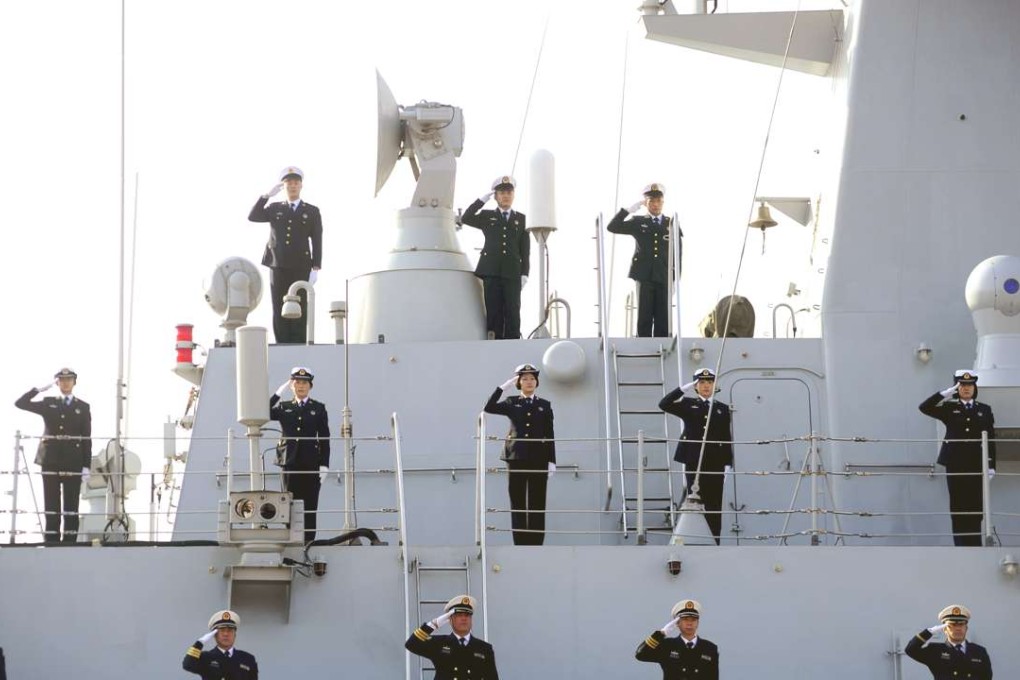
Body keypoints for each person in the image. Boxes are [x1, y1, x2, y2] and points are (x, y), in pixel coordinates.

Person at [919, 370, 997, 546]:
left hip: (977, 462)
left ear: (974, 387)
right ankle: (961, 544)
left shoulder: (984, 409)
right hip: (955, 462)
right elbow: (924, 407)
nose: (966, 388)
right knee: (958, 505)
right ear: (957, 387)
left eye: (969, 385)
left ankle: (975, 542)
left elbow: (990, 438)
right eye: (962, 385)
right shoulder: (949, 408)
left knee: (976, 505)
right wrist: (946, 393)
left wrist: (991, 464)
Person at [14, 368, 92, 543]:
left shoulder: (83, 407)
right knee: (51, 505)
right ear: (57, 382)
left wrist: (87, 465)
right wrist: (36, 390)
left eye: (69, 379)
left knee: (71, 506)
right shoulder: (48, 403)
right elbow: (20, 403)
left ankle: (70, 542)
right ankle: (52, 541)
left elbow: (87, 438)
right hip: (50, 460)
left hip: (73, 461)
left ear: (74, 382)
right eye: (62, 379)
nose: (65, 382)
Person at [247, 165, 323, 344]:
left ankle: (298, 344)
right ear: (284, 186)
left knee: (300, 306)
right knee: (279, 306)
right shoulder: (275, 208)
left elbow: (317, 239)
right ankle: (282, 343)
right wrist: (266, 196)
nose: (293, 186)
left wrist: (316, 267)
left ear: (301, 185)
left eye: (296, 182)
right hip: (278, 264)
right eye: (289, 183)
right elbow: (253, 216)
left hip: (301, 266)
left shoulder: (311, 211)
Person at [658, 368, 733, 544]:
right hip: (694, 459)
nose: (706, 386)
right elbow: (664, 404)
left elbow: (726, 436)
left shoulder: (722, 409)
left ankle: (715, 540)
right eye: (701, 383)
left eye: (709, 382)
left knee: (714, 503)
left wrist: (729, 462)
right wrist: (682, 389)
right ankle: (694, 539)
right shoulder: (687, 404)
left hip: (716, 461)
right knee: (696, 499)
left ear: (715, 385)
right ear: (696, 386)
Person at [484, 364, 556, 545]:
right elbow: (489, 407)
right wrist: (503, 387)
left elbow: (549, 434)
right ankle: (520, 542)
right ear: (518, 382)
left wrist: (551, 460)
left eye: (532, 378)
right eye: (524, 379)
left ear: (537, 382)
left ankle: (536, 542)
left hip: (539, 458)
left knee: (537, 501)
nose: (529, 382)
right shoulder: (511, 402)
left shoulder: (544, 405)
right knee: (517, 501)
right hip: (515, 457)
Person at [607, 183, 680, 337]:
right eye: (651, 201)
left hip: (664, 275)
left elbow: (678, 253)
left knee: (663, 318)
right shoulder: (638, 222)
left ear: (663, 202)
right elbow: (612, 227)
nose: (655, 204)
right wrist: (627, 211)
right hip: (643, 275)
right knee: (644, 315)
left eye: (658, 201)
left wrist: (675, 279)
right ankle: (643, 344)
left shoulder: (671, 224)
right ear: (645, 203)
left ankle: (663, 345)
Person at [461, 175, 530, 339]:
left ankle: (513, 341)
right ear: (496, 196)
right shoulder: (486, 216)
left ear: (513, 195)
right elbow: (466, 218)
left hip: (513, 272)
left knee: (513, 310)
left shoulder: (521, 219)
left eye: (509, 192)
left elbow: (525, 250)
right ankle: (494, 341)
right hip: (491, 270)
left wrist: (525, 273)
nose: (506, 196)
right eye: (501, 193)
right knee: (493, 310)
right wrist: (481, 200)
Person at [270, 367, 330, 544]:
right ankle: (291, 539)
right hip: (289, 462)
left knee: (310, 505)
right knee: (288, 503)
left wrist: (324, 464)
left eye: (304, 383)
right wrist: (277, 393)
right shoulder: (284, 407)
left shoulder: (318, 408)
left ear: (310, 386)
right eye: (297, 382)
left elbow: (325, 438)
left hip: (311, 462)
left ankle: (309, 541)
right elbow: (264, 411)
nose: (301, 386)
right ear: (291, 385)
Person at [405, 595, 499, 680]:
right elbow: (411, 644)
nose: (464, 618)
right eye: (459, 615)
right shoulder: (439, 643)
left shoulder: (484, 648)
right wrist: (435, 623)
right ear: (449, 620)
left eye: (467, 615)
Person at [635, 598, 719, 680]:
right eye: (685, 619)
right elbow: (641, 655)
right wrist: (662, 633)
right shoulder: (667, 645)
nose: (689, 623)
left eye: (693, 620)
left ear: (697, 623)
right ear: (677, 623)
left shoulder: (710, 648)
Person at [905, 604, 992, 679]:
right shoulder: (935, 651)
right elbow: (911, 650)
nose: (958, 628)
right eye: (953, 625)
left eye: (961, 624)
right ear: (945, 629)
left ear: (966, 628)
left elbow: (987, 677)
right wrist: (929, 632)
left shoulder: (979, 651)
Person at [183, 609, 259, 679]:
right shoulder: (206, 657)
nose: (226, 634)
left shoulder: (247, 659)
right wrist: (200, 642)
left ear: (235, 635)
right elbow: (187, 665)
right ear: (215, 635)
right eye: (222, 630)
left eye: (230, 630)